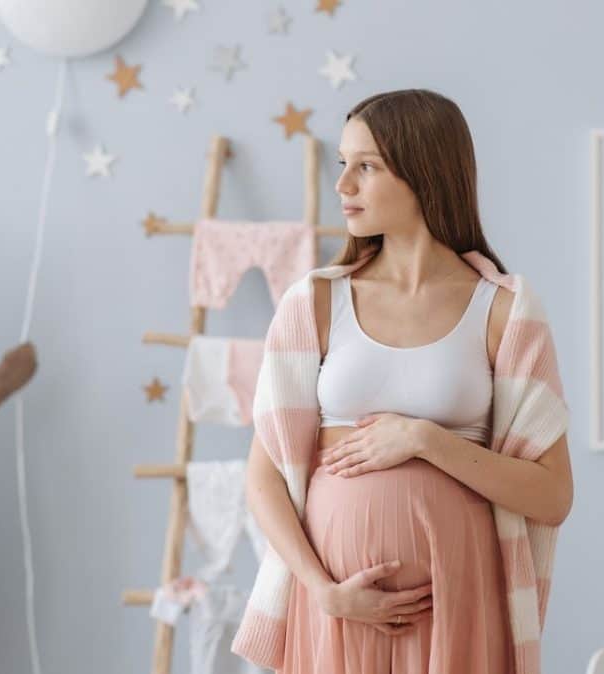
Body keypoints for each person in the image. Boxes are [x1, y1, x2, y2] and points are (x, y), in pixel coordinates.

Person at [241, 89, 574, 673]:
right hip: (335, 606)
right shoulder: (316, 302)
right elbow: (264, 477)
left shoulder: (505, 310)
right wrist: (322, 590)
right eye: (342, 164)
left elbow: (552, 496)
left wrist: (425, 439)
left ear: (427, 171)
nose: (342, 185)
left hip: (458, 602)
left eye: (366, 167)